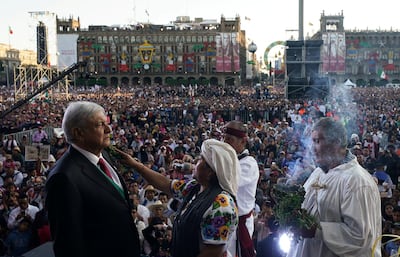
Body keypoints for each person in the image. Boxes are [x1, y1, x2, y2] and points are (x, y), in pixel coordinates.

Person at [45, 101, 140, 257]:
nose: (109, 129)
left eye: (107, 123)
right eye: (100, 125)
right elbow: (68, 244)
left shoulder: (104, 155)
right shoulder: (63, 178)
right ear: (78, 133)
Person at [117, 138, 239, 257]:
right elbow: (166, 184)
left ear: (210, 172)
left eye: (201, 159)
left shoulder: (222, 204)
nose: (195, 161)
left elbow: (213, 252)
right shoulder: (194, 188)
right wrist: (136, 165)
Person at [287, 117, 382, 257]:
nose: (312, 148)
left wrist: (317, 230)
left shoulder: (357, 182)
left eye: (317, 141)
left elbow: (360, 238)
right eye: (312, 141)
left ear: (336, 143)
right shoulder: (318, 172)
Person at [223, 120, 259, 257]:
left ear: (242, 142)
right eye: (224, 139)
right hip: (223, 221)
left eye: (230, 140)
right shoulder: (226, 160)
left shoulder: (249, 164)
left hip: (240, 224)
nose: (225, 143)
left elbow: (227, 181)